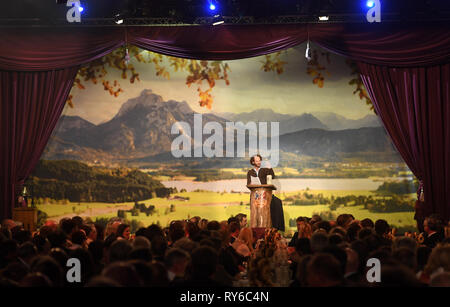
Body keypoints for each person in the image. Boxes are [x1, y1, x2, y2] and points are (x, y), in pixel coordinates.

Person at [246, 154, 284, 231]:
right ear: (253, 162)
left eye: (260, 160)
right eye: (257, 161)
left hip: (265, 197)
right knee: (255, 217)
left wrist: (270, 167)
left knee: (265, 217)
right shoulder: (250, 172)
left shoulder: (265, 170)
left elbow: (272, 176)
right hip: (255, 197)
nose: (259, 162)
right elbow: (249, 184)